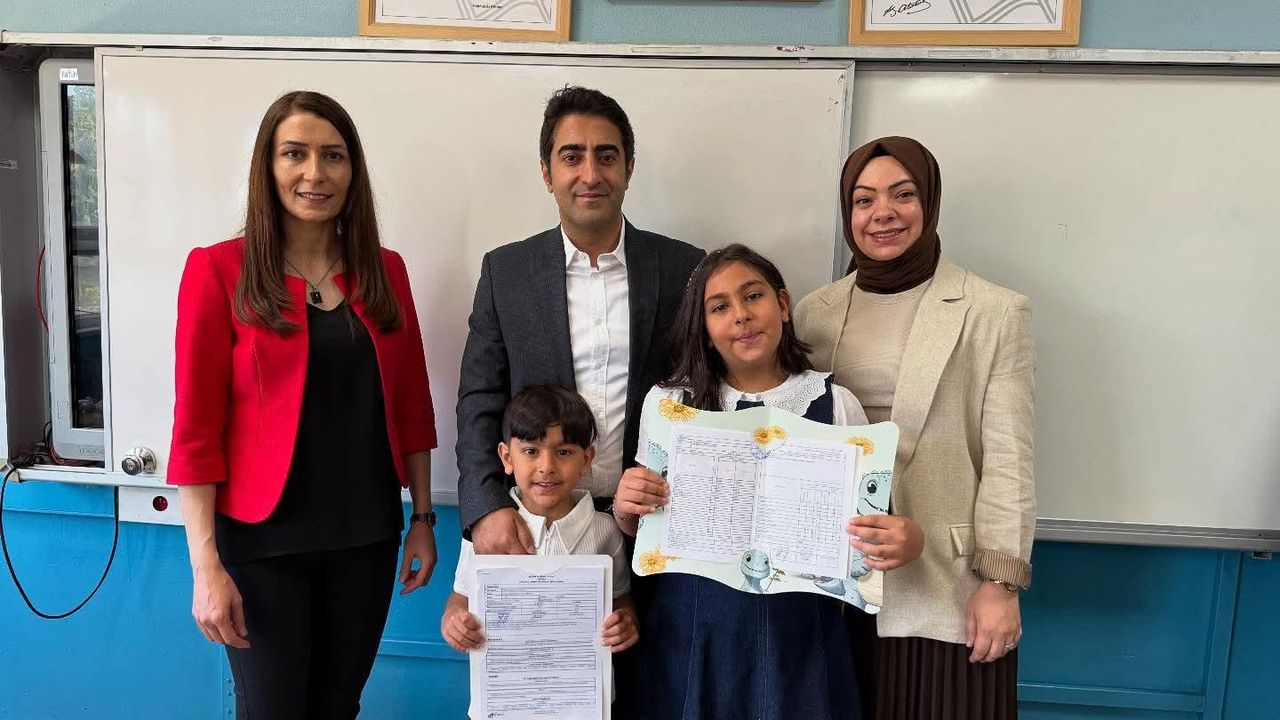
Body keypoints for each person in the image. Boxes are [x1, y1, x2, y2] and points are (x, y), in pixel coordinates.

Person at [167, 90, 439, 720]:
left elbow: (412, 405)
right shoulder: (218, 270)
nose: (314, 173)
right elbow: (195, 431)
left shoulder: (386, 271)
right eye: (295, 153)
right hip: (260, 544)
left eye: (332, 156)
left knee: (338, 708)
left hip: (365, 539)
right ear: (268, 167)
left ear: (353, 171)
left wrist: (423, 517)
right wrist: (205, 565)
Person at [612, 244, 921, 720]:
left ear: (783, 304)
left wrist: (904, 539)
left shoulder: (837, 404)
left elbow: (869, 536)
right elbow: (644, 527)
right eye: (719, 307)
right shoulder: (670, 404)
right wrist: (626, 507)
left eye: (753, 296)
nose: (741, 315)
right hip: (693, 635)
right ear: (703, 327)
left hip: (799, 640)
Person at [794, 136, 1036, 720]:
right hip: (837, 584)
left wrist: (1001, 585)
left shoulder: (993, 311)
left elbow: (1009, 458)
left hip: (947, 586)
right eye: (863, 199)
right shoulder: (814, 313)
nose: (882, 213)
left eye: (902, 195)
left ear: (929, 202)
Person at [456, 86, 704, 554]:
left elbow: (708, 391)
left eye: (606, 157)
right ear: (547, 173)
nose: (591, 174)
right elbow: (479, 398)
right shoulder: (506, 272)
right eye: (572, 157)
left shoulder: (683, 268)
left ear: (629, 168)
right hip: (536, 527)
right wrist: (486, 505)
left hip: (655, 521)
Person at [441, 385, 638, 712]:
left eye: (564, 452)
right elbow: (459, 599)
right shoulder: (487, 533)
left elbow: (621, 600)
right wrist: (453, 621)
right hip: (505, 701)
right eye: (531, 451)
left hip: (582, 702)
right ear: (507, 458)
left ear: (586, 459)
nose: (547, 466)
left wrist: (626, 621)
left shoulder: (606, 532)